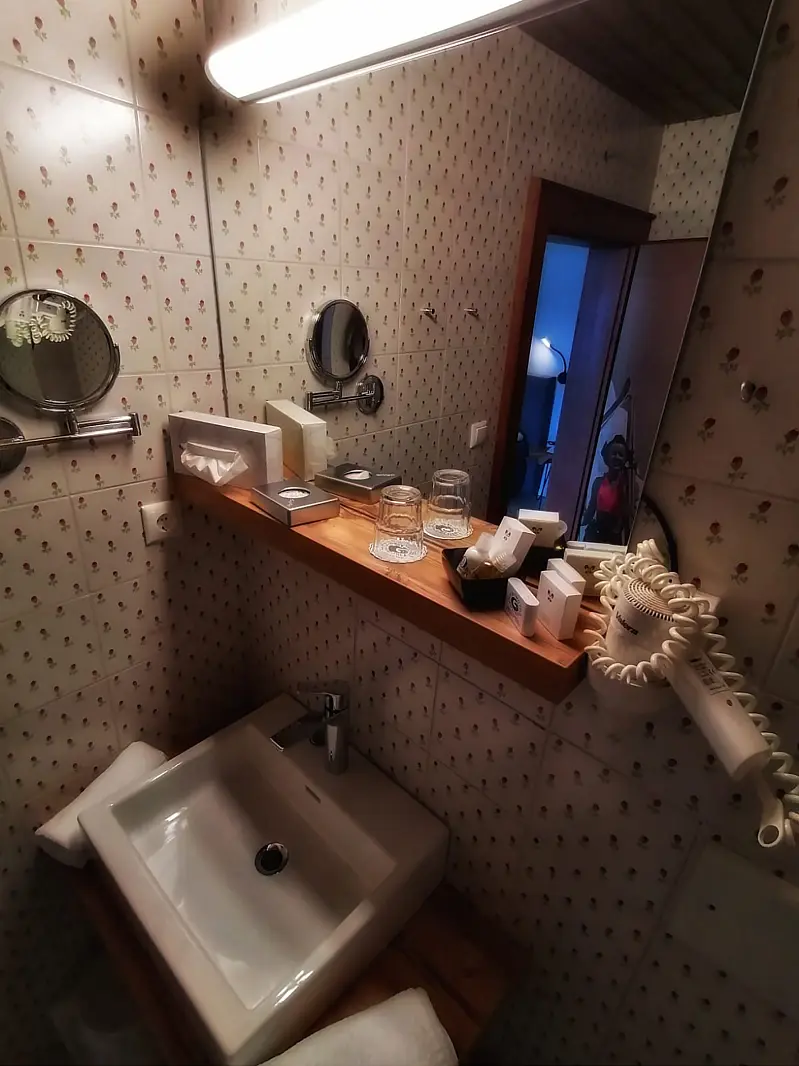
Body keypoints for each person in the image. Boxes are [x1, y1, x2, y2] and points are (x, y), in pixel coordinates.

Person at [582, 435, 630, 544]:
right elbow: (591, 509)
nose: (617, 457)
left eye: (621, 455)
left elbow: (628, 517)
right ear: (607, 457)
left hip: (614, 537)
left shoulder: (628, 486)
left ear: (625, 459)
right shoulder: (598, 482)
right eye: (614, 454)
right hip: (596, 534)